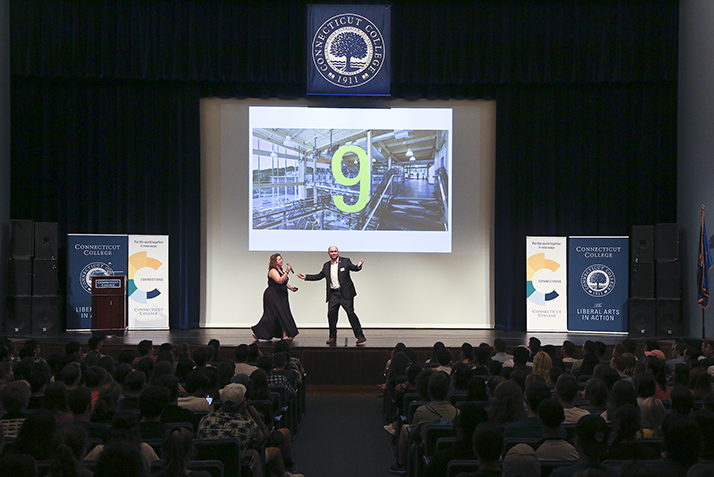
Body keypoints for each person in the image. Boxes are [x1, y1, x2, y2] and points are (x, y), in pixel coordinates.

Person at [297, 245, 366, 345]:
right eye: (331, 252)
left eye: (335, 251)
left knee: (351, 314)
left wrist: (358, 266)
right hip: (333, 294)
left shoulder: (346, 261)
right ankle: (332, 337)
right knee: (331, 316)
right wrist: (306, 277)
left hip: (345, 294)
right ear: (329, 253)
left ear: (338, 252)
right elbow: (319, 276)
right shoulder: (326, 265)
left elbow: (354, 268)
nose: (333, 253)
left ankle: (360, 336)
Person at [251, 253, 299, 342]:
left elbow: (284, 282)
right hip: (273, 295)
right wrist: (287, 271)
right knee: (271, 315)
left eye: (281, 259)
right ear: (275, 262)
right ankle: (257, 331)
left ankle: (285, 334)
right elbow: (279, 281)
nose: (282, 261)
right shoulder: (272, 271)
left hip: (282, 295)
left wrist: (291, 287)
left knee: (283, 313)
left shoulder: (281, 269)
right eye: (279, 259)